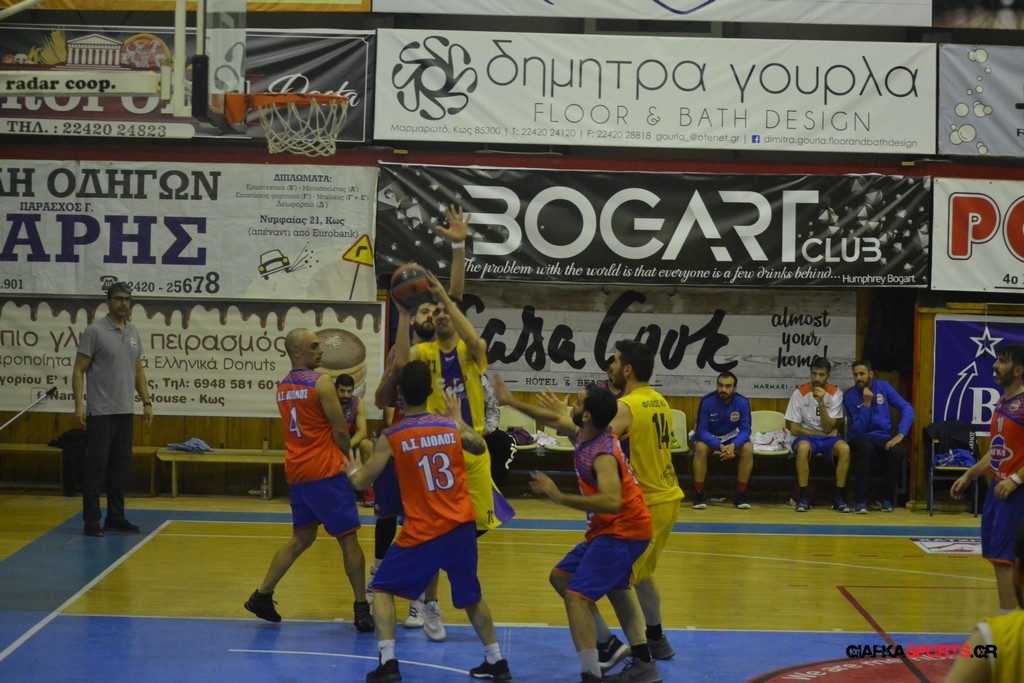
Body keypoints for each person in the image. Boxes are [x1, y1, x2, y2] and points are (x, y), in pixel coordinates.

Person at [347, 361, 512, 683]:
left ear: (399, 394)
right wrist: (459, 421)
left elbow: (362, 481)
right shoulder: (449, 427)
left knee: (382, 588)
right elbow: (480, 446)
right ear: (429, 392)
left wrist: (352, 471)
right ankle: (497, 661)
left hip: (423, 530)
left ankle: (388, 662)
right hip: (460, 527)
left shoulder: (393, 435)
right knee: (472, 597)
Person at [371, 204, 468, 633]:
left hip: (438, 441)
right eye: (423, 312)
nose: (432, 315)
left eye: (434, 312)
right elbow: (394, 370)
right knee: (392, 518)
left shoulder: (448, 345)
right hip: (402, 444)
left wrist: (459, 249)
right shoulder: (409, 353)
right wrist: (404, 312)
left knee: (429, 526)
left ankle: (426, 602)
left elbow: (455, 298)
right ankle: (390, 585)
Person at [244, 328, 374, 633]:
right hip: (326, 472)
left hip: (298, 472)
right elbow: (339, 429)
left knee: (301, 538)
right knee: (348, 539)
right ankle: (361, 608)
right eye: (314, 346)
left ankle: (262, 595)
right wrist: (351, 462)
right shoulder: (321, 383)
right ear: (297, 353)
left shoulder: (283, 387)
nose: (321, 351)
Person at [527, 384, 659, 683]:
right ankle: (621, 650)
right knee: (564, 578)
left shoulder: (601, 452)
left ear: (586, 415)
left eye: (576, 403)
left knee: (577, 597)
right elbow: (556, 419)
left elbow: (612, 502)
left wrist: (558, 496)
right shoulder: (590, 432)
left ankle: (592, 674)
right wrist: (509, 400)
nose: (570, 407)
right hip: (615, 528)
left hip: (624, 529)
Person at [395, 271, 513, 536]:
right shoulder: (424, 352)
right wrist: (403, 316)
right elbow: (402, 365)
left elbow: (473, 340)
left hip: (470, 443)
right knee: (434, 522)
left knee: (478, 524)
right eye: (435, 313)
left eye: (444, 311)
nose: (439, 315)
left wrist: (445, 300)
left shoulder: (469, 350)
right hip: (436, 446)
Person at [605, 339, 682, 663]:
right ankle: (656, 638)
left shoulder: (627, 406)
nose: (609, 367)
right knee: (643, 574)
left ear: (627, 369)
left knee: (617, 577)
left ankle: (638, 657)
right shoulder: (659, 400)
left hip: (649, 504)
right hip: (668, 498)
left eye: (614, 361)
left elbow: (594, 441)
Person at [72, 281, 153, 538]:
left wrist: (147, 402)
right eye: (118, 299)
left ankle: (115, 517)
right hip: (101, 412)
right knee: (96, 468)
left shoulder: (133, 331)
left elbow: (138, 370)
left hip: (125, 411)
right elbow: (78, 370)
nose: (123, 304)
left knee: (120, 467)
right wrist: (79, 405)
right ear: (108, 302)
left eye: (127, 299)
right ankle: (91, 521)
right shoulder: (95, 331)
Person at [952, 342, 1024, 613]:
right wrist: (969, 474)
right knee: (998, 559)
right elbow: (996, 450)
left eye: (1002, 361)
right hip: (999, 489)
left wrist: (1015, 480)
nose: (994, 365)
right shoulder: (1004, 402)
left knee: (1005, 560)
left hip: (1015, 492)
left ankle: (1009, 626)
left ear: (1018, 371)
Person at [944, 520, 1024, 683]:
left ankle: (1008, 617)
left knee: (1002, 561)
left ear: (1018, 573)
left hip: (1007, 637)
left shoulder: (989, 640)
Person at [843, 359, 914, 514]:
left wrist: (901, 434)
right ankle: (861, 501)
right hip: (859, 437)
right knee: (865, 448)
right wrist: (866, 404)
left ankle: (885, 499)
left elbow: (906, 408)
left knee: (897, 451)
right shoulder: (850, 396)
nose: (858, 378)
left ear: (871, 374)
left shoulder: (883, 387)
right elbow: (858, 429)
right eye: (855, 375)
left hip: (881, 436)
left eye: (862, 374)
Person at [785, 356, 850, 513]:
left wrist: (821, 402)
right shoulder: (799, 393)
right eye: (814, 374)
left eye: (821, 375)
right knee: (802, 448)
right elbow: (794, 428)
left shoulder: (835, 393)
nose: (817, 378)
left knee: (845, 449)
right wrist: (818, 433)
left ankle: (839, 497)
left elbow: (830, 426)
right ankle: (804, 497)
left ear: (828, 376)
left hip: (829, 438)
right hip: (807, 436)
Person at [691, 371, 754, 510]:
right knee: (700, 448)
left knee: (748, 448)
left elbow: (746, 430)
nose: (723, 389)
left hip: (731, 436)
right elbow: (701, 430)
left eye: (728, 386)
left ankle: (740, 494)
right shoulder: (707, 401)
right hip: (710, 436)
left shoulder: (742, 402)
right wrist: (719, 446)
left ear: (734, 388)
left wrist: (734, 445)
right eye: (720, 385)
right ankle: (699, 493)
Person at [336, 373, 375, 508]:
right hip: (333, 442)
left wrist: (347, 446)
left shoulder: (357, 403)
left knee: (368, 445)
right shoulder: (329, 402)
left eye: (349, 391)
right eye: (342, 391)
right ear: (336, 389)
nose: (346, 395)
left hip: (351, 443)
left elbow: (362, 432)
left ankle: (369, 492)